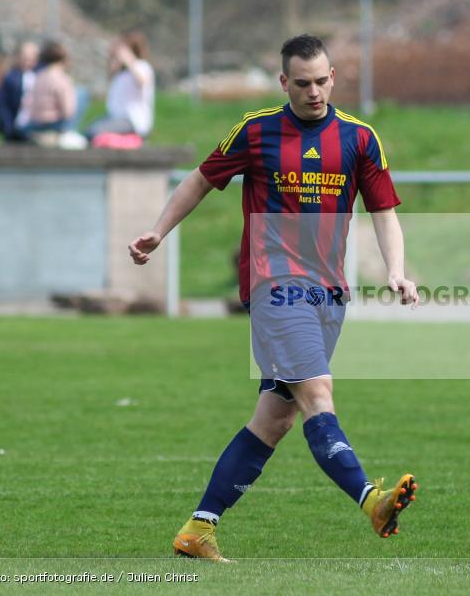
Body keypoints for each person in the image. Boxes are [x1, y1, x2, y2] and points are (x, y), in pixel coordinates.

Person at [128, 35, 419, 562]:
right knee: (318, 396)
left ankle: (199, 528)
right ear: (284, 82)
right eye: (301, 83)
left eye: (321, 81)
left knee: (274, 419)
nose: (313, 92)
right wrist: (158, 232)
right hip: (276, 286)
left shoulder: (359, 138)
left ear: (334, 77)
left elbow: (384, 211)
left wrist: (397, 271)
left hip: (328, 293)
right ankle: (370, 500)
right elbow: (199, 180)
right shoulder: (256, 130)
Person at [85, 31, 155, 141]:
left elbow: (143, 82)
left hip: (133, 120)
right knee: (88, 131)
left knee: (94, 132)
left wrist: (129, 60)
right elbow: (110, 76)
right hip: (115, 116)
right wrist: (114, 59)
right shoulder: (123, 72)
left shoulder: (141, 66)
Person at [20, 41, 88, 137]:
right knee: (82, 92)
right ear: (64, 59)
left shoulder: (39, 77)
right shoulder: (62, 79)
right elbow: (68, 111)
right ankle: (68, 132)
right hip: (54, 125)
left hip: (36, 123)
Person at [0, 41, 39, 142]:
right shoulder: (11, 77)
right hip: (15, 126)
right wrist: (8, 124)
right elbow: (0, 103)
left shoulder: (39, 75)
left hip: (35, 126)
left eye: (31, 58)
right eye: (25, 57)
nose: (28, 61)